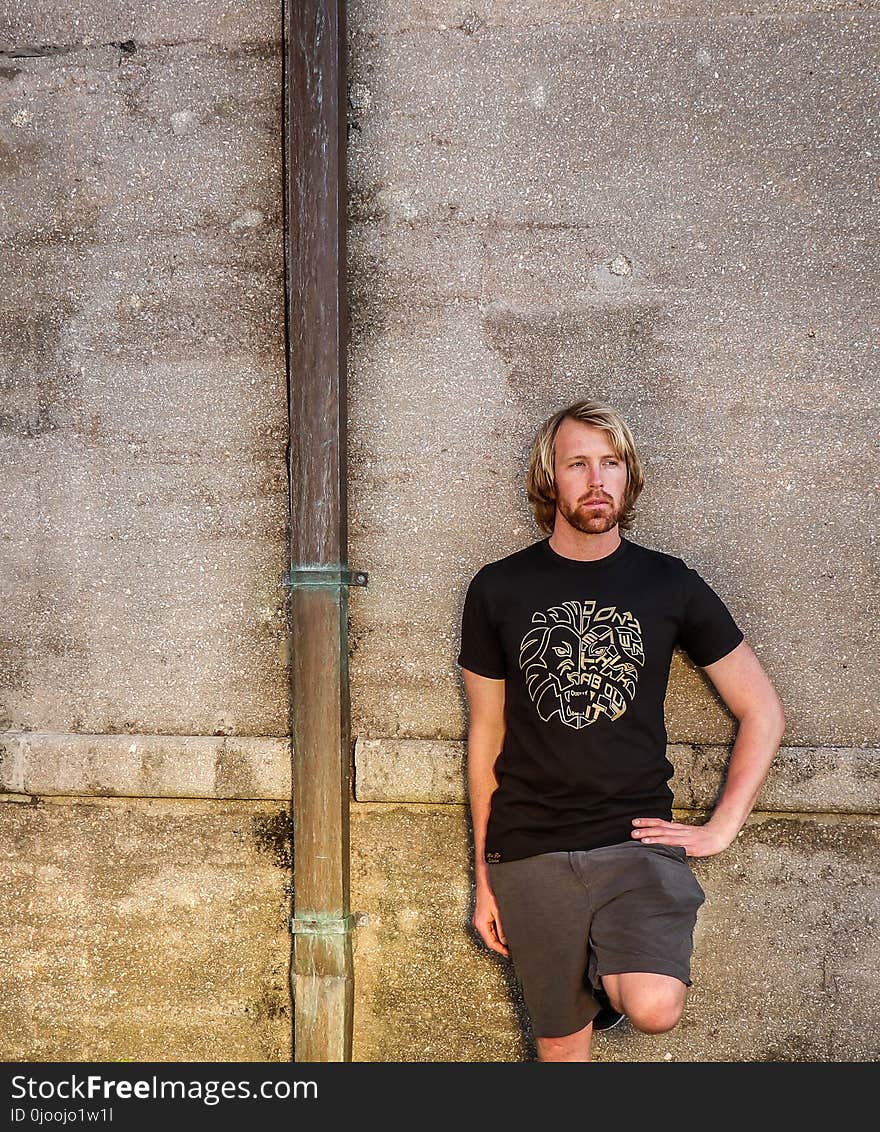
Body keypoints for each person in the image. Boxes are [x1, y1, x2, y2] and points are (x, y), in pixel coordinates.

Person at [456, 399, 786, 1062]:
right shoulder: (498, 589)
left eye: (612, 463)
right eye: (578, 463)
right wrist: (484, 876)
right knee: (561, 1054)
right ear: (550, 478)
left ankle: (602, 975)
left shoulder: (670, 584)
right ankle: (582, 978)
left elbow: (763, 711)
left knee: (655, 1005)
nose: (597, 479)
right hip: (530, 848)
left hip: (634, 840)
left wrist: (721, 825)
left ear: (630, 478)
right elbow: (486, 737)